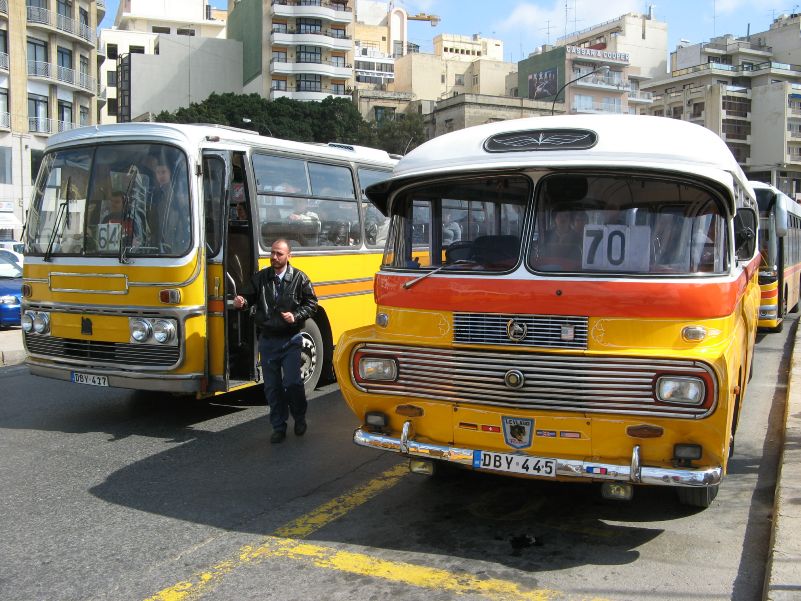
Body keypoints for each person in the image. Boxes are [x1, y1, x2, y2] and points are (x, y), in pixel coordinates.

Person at [233, 239, 318, 444]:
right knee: (272, 387)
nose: (274, 257)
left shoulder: (299, 278)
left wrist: (296, 316)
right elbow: (247, 298)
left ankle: (299, 417)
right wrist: (241, 302)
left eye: (279, 254)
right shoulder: (262, 278)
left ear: (289, 256)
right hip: (268, 340)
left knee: (292, 383)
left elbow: (312, 304)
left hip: (291, 339)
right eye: (272, 253)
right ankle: (278, 427)